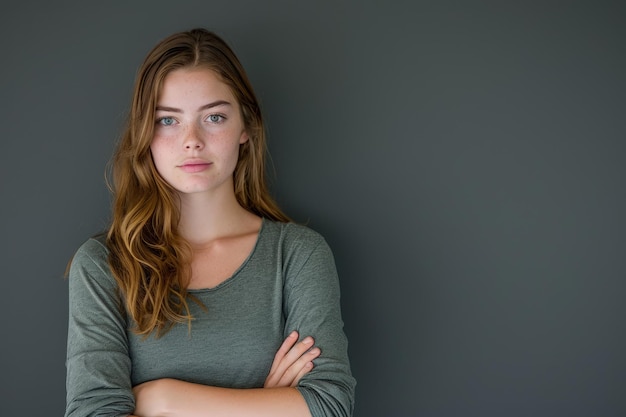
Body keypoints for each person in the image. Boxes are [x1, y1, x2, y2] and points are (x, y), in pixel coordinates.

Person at [64, 28, 355, 417]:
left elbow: (329, 406)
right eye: (168, 120)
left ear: (245, 127)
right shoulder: (104, 265)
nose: (192, 140)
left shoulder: (297, 255)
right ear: (144, 133)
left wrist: (160, 398)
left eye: (214, 117)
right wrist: (267, 404)